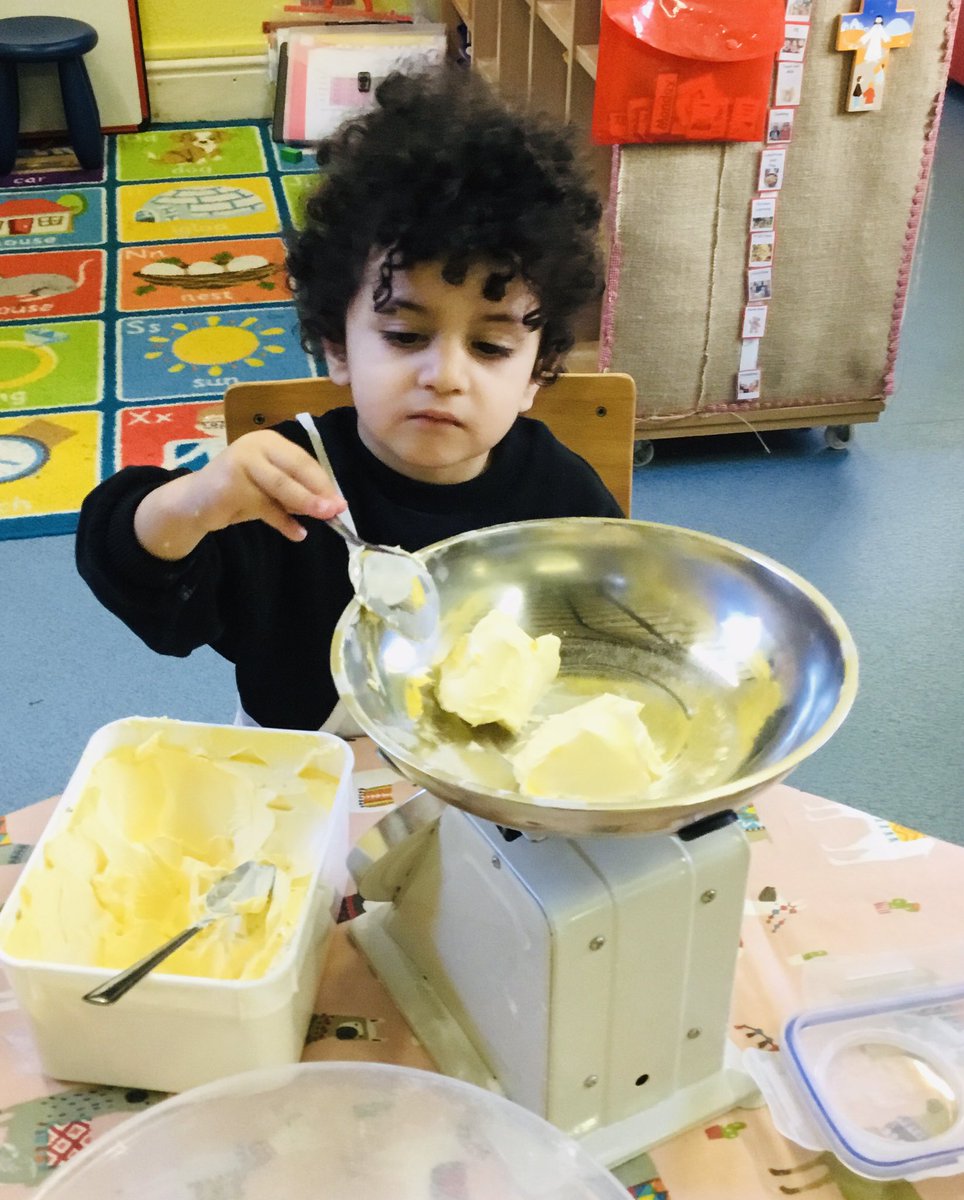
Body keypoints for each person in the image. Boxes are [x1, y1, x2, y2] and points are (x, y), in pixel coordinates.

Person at [76, 67, 623, 733]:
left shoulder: (561, 498)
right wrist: (191, 505)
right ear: (337, 344)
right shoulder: (285, 486)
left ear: (540, 370)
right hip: (304, 781)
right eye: (404, 334)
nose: (444, 375)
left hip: (500, 787)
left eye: (490, 348)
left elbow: (616, 650)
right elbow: (151, 598)